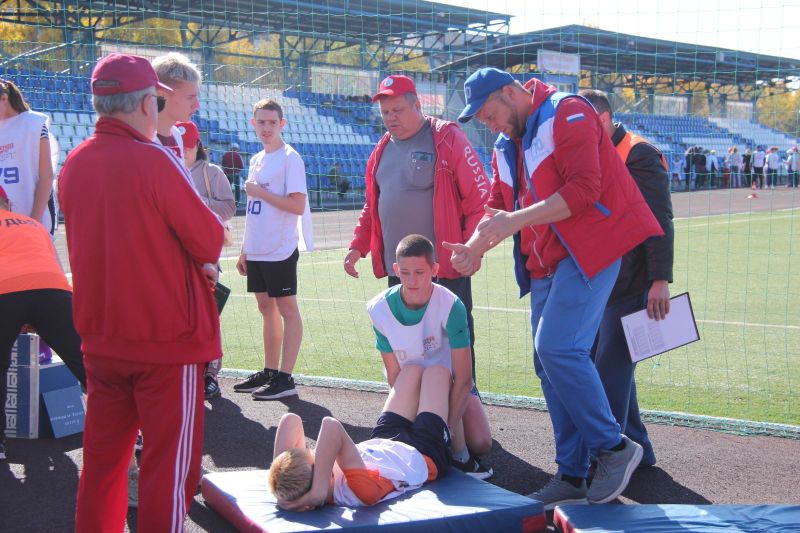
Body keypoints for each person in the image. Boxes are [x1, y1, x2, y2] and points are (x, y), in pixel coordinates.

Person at [446, 68, 663, 509]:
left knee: (558, 348)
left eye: (489, 114)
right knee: (548, 363)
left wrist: (514, 222)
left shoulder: (569, 112)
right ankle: (572, 474)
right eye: (482, 120)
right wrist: (473, 248)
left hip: (590, 249)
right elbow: (498, 206)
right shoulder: (506, 144)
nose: (488, 124)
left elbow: (584, 190)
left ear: (511, 93)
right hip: (543, 263)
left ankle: (614, 447)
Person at [58, 53, 224, 532]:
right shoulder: (153, 159)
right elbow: (208, 238)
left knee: (103, 464)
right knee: (169, 470)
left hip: (103, 340)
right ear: (147, 104)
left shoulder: (75, 162)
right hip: (166, 342)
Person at [343, 75, 491, 473]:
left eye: (397, 109)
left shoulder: (446, 138)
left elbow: (480, 199)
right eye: (385, 112)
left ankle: (458, 423)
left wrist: (473, 248)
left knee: (453, 351)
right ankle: (415, 420)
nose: (390, 117)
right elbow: (372, 205)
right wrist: (359, 244)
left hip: (444, 271)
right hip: (401, 273)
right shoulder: (380, 149)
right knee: (409, 352)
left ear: (417, 106)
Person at [579, 89, 674, 471]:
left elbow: (659, 221)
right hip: (600, 281)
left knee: (609, 372)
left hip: (630, 283)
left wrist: (659, 280)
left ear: (602, 119)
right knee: (613, 368)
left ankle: (608, 459)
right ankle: (639, 450)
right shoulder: (597, 152)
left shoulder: (639, 154)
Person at [366, 235, 492, 479]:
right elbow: (394, 375)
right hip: (410, 380)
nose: (412, 280)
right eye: (405, 272)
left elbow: (464, 379)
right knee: (409, 427)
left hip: (450, 380)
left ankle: (458, 453)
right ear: (396, 270)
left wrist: (447, 429)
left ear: (434, 270)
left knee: (481, 443)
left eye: (420, 272)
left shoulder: (451, 305)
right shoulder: (378, 309)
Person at [269, 363, 452, 510]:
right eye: (313, 455)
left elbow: (290, 420)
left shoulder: (316, 477)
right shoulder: (357, 492)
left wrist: (281, 495)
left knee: (411, 370)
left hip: (384, 440)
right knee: (438, 373)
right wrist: (317, 492)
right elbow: (331, 425)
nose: (315, 451)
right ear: (323, 478)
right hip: (423, 453)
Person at [0, 185, 87, 461]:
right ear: (7, 204)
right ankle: (127, 429)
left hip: (4, 290)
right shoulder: (34, 225)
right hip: (53, 290)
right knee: (88, 363)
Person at [233, 99, 308, 400]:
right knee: (266, 309)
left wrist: (260, 192)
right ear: (253, 124)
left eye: (272, 123)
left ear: (282, 124)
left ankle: (285, 378)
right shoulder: (256, 160)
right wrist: (245, 249)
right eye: (261, 122)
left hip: (280, 248)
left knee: (287, 309)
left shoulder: (290, 158)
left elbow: (297, 205)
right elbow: (254, 210)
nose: (266, 128)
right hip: (258, 248)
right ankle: (269, 371)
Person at [180, 120, 236, 399]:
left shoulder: (211, 172)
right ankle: (186, 373)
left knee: (208, 318)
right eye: (179, 146)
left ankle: (211, 374)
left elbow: (229, 207)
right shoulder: (166, 167)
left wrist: (196, 201)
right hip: (175, 256)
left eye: (188, 147)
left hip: (205, 256)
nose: (183, 152)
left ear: (198, 145)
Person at [0, 78, 58, 236]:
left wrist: (34, 222)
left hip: (31, 222)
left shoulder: (34, 123)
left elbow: (46, 177)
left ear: (4, 99)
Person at [152, 52, 202, 160]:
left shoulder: (176, 135)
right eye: (190, 97)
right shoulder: (143, 139)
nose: (197, 105)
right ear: (162, 94)